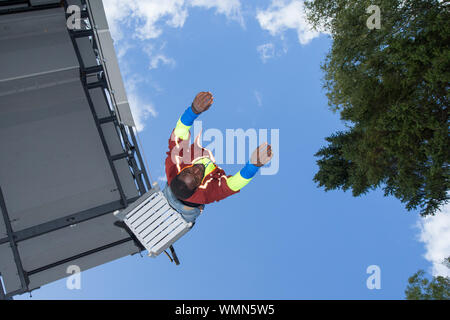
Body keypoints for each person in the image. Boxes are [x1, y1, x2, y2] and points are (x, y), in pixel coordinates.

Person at [163, 92, 273, 223]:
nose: (197, 170)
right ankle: (187, 214)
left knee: (172, 190)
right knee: (189, 212)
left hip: (171, 191)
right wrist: (253, 166)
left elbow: (178, 135)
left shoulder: (175, 164)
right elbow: (231, 185)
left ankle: (170, 192)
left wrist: (193, 111)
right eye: (197, 177)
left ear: (181, 171)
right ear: (199, 186)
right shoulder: (205, 193)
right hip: (189, 209)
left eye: (189, 171)